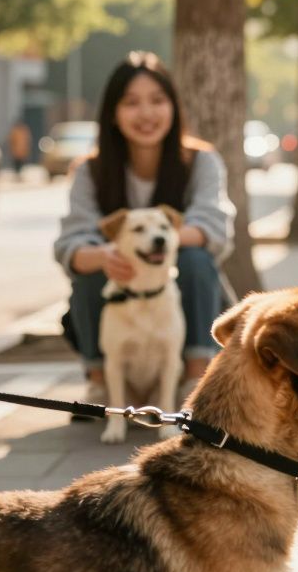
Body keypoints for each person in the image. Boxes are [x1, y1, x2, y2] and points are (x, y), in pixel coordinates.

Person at [54, 51, 235, 409]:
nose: (146, 113)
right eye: (132, 103)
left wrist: (154, 244)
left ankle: (193, 379)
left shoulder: (201, 161)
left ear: (173, 106)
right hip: (120, 297)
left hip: (181, 291)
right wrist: (106, 254)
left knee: (196, 259)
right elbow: (72, 243)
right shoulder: (89, 171)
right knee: (92, 270)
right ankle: (100, 383)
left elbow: (213, 227)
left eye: (157, 100)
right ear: (113, 113)